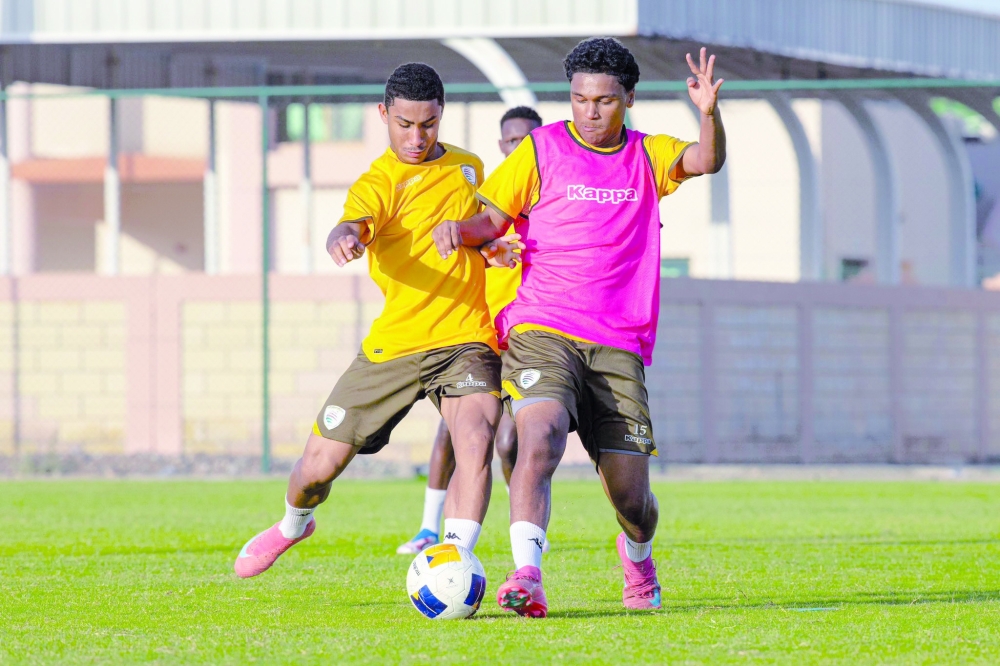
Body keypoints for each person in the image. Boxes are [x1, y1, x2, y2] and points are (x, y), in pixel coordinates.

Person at [432, 39, 727, 617]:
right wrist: (457, 231)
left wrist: (709, 113)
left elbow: (705, 161)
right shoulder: (541, 149)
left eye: (604, 101)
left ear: (629, 100)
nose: (590, 112)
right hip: (543, 325)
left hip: (618, 343)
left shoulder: (647, 155)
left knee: (631, 498)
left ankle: (638, 556)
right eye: (579, 99)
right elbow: (491, 218)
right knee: (537, 436)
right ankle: (527, 575)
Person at [234, 63, 519, 578]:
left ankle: (453, 562)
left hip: (465, 338)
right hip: (394, 346)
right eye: (404, 124)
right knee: (316, 471)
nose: (416, 137)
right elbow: (353, 222)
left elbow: (480, 228)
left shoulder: (471, 167)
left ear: (441, 115)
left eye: (428, 124)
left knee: (475, 438)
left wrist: (490, 246)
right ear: (383, 114)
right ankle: (293, 524)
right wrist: (343, 237)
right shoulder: (378, 181)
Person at [396, 106, 546, 556]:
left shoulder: (546, 196)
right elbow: (467, 242)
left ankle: (513, 518)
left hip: (526, 337)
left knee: (508, 442)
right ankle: (428, 527)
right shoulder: (487, 197)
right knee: (454, 430)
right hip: (482, 333)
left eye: (529, 141)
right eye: (512, 140)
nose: (520, 148)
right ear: (502, 145)